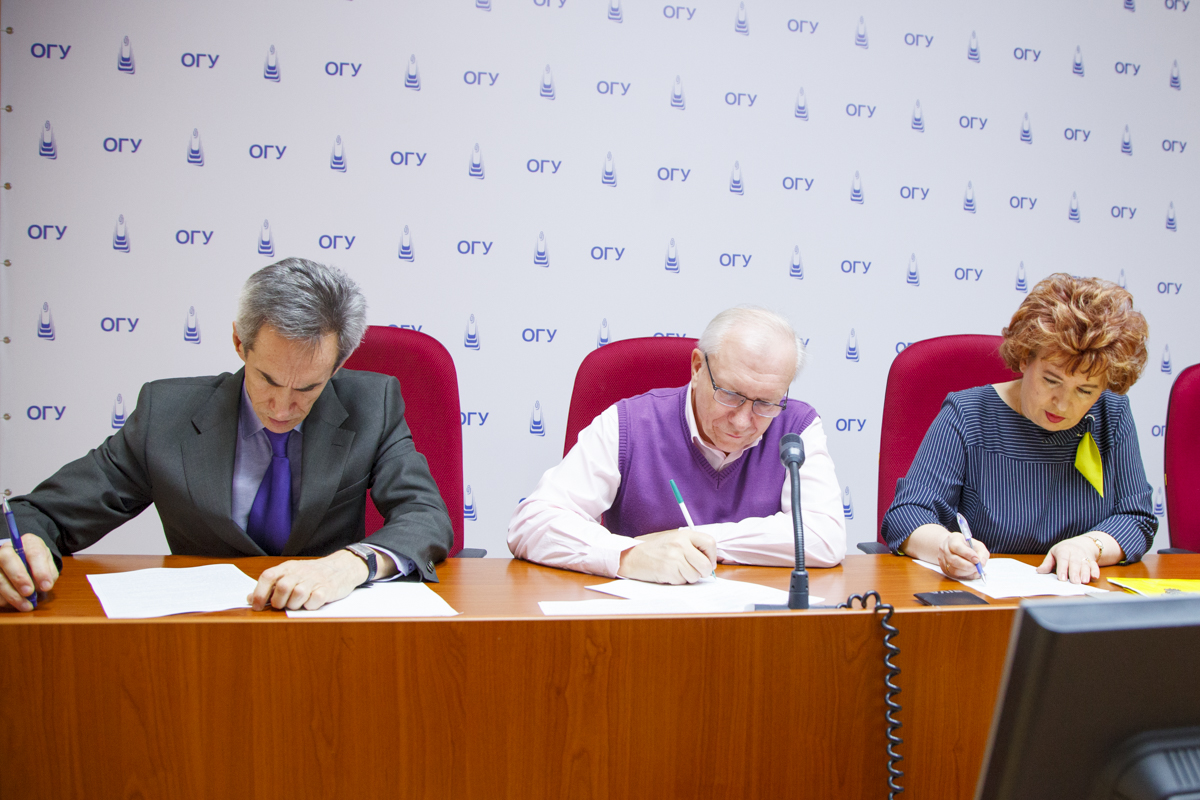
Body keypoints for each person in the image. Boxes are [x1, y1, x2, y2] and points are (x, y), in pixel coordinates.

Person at [1, 258, 453, 612]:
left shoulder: (373, 405)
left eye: (308, 387)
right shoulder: (165, 415)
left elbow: (426, 515)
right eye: (268, 380)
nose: (282, 407)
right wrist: (21, 547)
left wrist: (352, 564)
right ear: (239, 343)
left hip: (327, 631)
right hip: (205, 640)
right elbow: (40, 514)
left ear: (338, 366)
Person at [508, 307, 846, 584]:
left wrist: (691, 541)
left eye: (766, 403)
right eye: (731, 395)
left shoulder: (796, 428)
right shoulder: (629, 423)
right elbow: (532, 523)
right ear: (698, 368)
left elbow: (824, 537)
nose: (744, 421)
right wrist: (630, 556)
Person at [881, 273, 1156, 585]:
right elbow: (907, 513)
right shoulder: (968, 414)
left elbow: (1137, 517)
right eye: (1051, 380)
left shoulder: (1111, 414)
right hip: (985, 597)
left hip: (1081, 598)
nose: (1063, 404)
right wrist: (945, 546)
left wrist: (1088, 546)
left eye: (1085, 391)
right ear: (1025, 358)